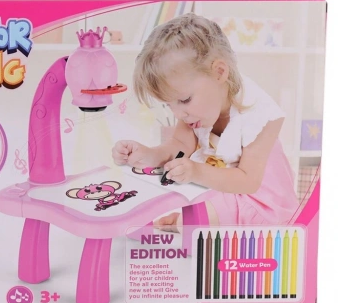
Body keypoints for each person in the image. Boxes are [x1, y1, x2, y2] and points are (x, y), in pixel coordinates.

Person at [112, 13, 299, 232]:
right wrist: (148, 154)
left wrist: (196, 172)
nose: (179, 113)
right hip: (222, 192)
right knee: (172, 203)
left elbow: (248, 182)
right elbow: (179, 146)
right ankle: (188, 221)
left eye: (184, 100)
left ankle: (190, 222)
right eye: (169, 105)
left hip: (263, 209)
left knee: (196, 214)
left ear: (219, 73)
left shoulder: (261, 115)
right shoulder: (195, 111)